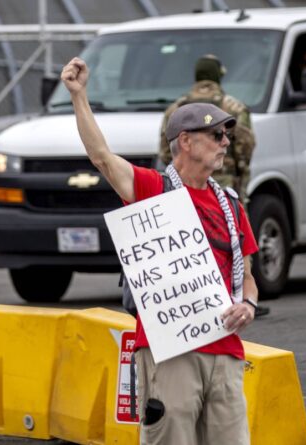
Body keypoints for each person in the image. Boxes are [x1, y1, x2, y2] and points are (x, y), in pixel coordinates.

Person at [62, 57, 260, 444]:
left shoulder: (232, 203)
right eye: (216, 135)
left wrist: (248, 305)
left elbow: (247, 277)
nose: (226, 143)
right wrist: (78, 97)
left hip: (226, 350)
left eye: (226, 136)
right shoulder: (154, 189)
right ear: (185, 141)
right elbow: (102, 156)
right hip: (170, 352)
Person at [159, 54, 255, 205]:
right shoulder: (234, 107)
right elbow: (245, 150)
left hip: (184, 185)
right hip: (226, 183)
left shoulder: (175, 109)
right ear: (218, 76)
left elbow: (165, 152)